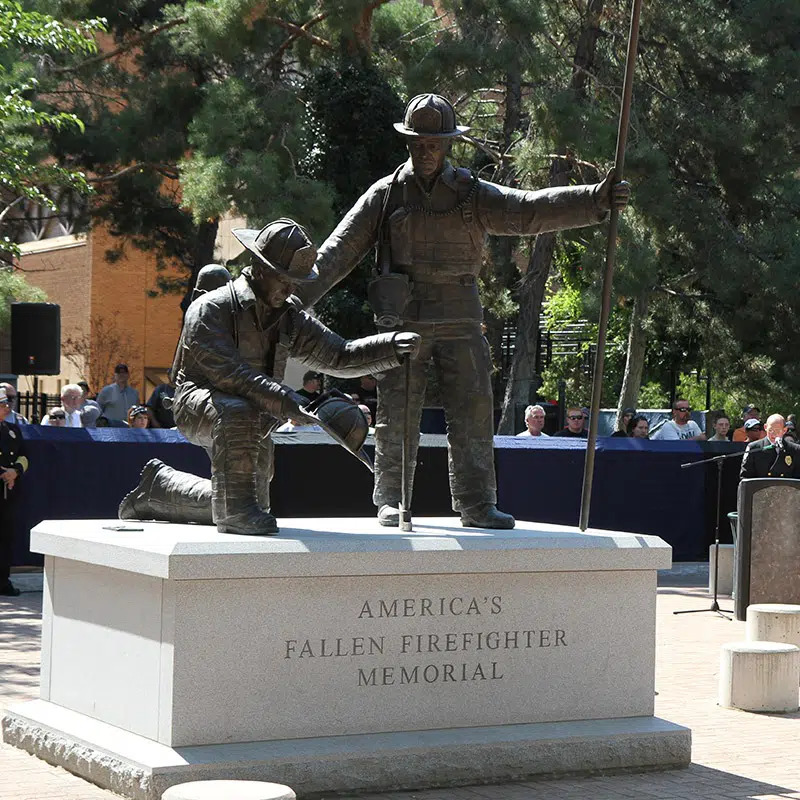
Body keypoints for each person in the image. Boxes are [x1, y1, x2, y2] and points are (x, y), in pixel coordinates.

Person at [300, 93, 630, 529]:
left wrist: (594, 199)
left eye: (434, 143)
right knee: (397, 410)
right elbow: (336, 255)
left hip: (460, 315)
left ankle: (477, 503)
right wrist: (286, 303)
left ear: (449, 144)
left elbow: (527, 211)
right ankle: (392, 499)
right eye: (418, 143)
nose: (425, 151)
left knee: (473, 409)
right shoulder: (385, 195)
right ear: (408, 143)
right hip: (403, 320)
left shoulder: (472, 194)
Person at [119, 218, 420, 535]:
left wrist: (390, 347)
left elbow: (339, 355)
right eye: (285, 280)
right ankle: (234, 513)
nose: (292, 289)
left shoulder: (288, 317)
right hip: (198, 402)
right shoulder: (211, 309)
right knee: (238, 415)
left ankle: (159, 489)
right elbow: (232, 375)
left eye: (297, 282)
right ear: (260, 268)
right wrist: (289, 401)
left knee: (250, 498)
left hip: (259, 409)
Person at [0, 387, 29, 596]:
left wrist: (15, 472)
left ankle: (3, 580)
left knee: (6, 537)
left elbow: (24, 456)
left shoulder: (12, 429)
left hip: (8, 492)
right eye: (2, 404)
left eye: (7, 403)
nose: (7, 407)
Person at [741, 413, 800, 479]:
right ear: (765, 427)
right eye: (770, 430)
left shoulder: (795, 449)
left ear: (784, 430)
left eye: (777, 430)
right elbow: (746, 478)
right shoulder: (754, 448)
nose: (773, 434)